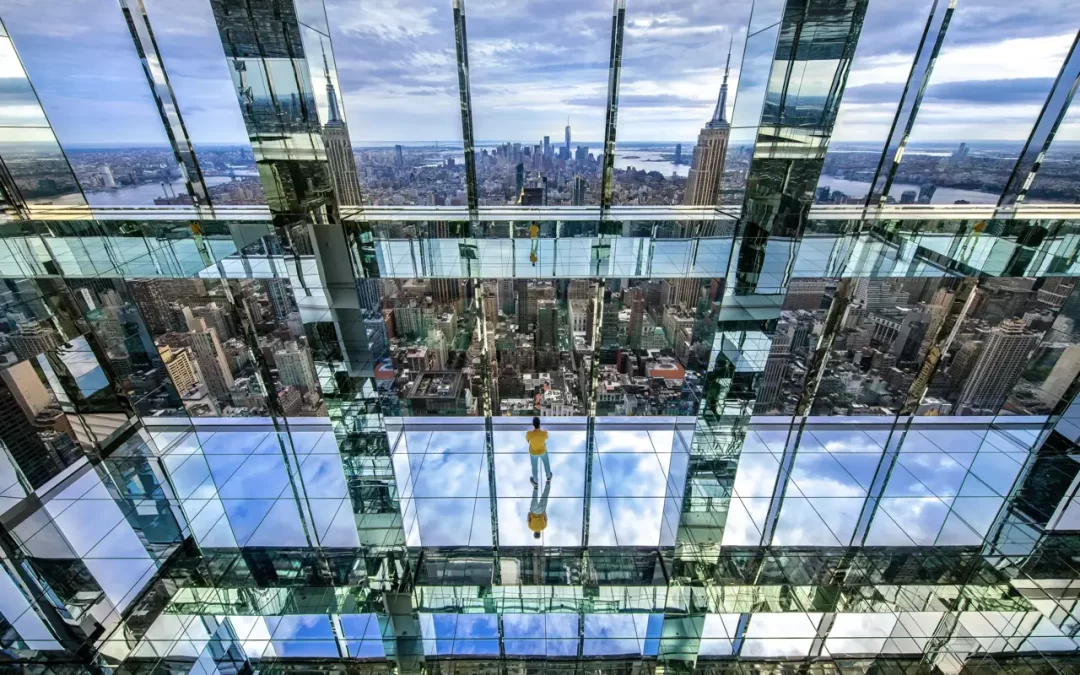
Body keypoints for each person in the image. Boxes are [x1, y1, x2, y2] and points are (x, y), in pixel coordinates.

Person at [526, 416, 551, 487]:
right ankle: (548, 476)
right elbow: (546, 438)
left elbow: (528, 440)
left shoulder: (529, 434)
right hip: (543, 451)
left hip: (533, 452)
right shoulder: (544, 433)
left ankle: (535, 481)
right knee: (546, 464)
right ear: (539, 424)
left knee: (534, 467)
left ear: (533, 424)